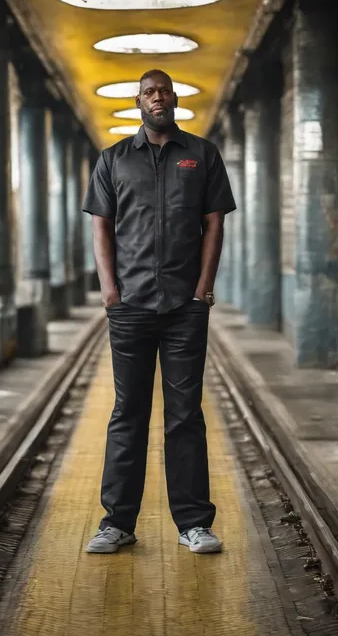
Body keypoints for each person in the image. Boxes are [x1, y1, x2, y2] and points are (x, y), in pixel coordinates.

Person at [82, 69, 236, 554]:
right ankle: (118, 523)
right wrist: (110, 291)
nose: (158, 97)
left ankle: (193, 523)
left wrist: (203, 288)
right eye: (150, 91)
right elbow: (102, 229)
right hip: (130, 309)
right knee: (128, 413)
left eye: (165, 91)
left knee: (185, 415)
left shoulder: (202, 154)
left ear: (174, 99)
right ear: (138, 101)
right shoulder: (112, 160)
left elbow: (214, 225)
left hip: (185, 307)